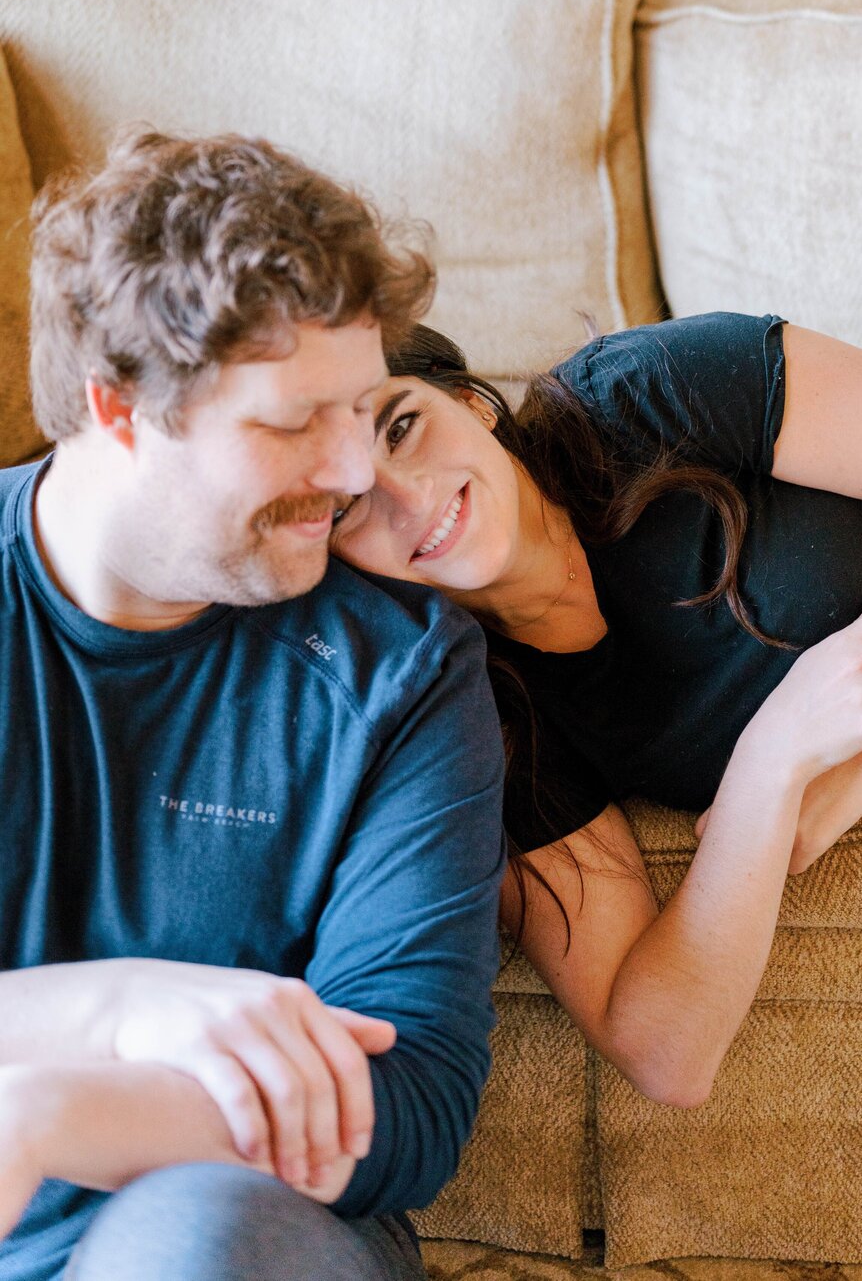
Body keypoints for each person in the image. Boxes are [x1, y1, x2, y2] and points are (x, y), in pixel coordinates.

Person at [331, 309, 862, 1108]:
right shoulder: (488, 718)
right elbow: (666, 1050)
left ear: (471, 402)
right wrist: (770, 768)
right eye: (346, 505)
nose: (407, 498)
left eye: (401, 427)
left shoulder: (634, 395)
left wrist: (857, 765)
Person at [0, 131, 507, 1281]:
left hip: (242, 1237)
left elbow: (410, 1098)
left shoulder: (403, 674)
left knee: (194, 1238)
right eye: (292, 421)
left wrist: (47, 1115)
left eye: (364, 408)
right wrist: (129, 1009)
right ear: (120, 406)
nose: (355, 471)